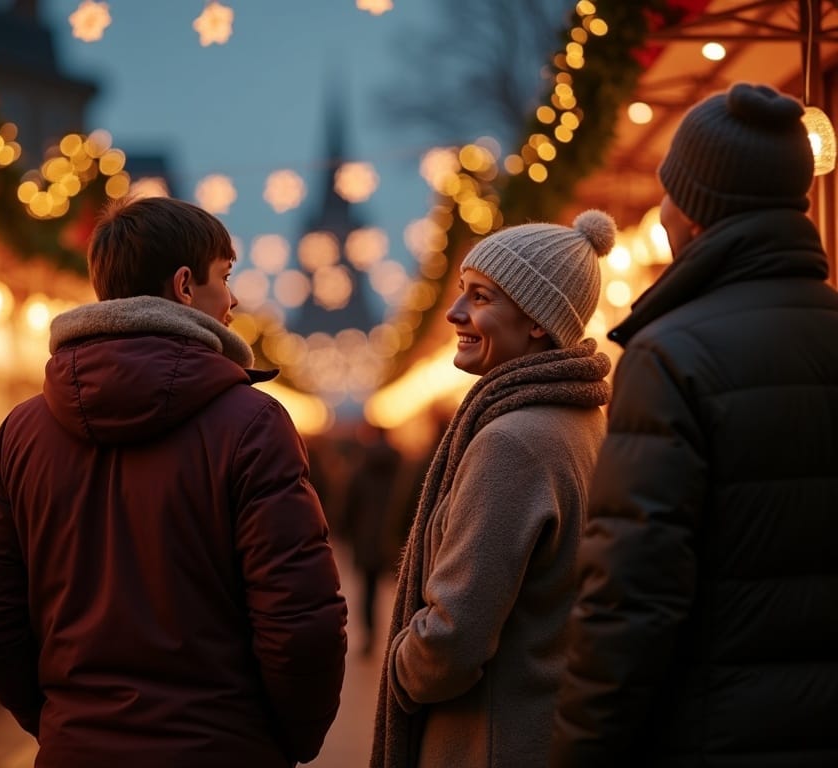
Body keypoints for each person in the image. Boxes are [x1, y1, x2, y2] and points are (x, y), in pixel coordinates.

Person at [0, 196, 347, 768]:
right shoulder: (253, 424)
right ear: (185, 285)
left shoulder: (23, 430)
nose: (234, 299)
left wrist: (60, 721)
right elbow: (300, 622)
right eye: (225, 277)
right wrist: (285, 741)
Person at [550, 83, 838, 767]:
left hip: (717, 732)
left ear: (697, 209)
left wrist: (580, 750)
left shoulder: (669, 356)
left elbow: (631, 597)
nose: (662, 211)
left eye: (671, 192)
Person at [371, 210, 615, 768]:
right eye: (462, 290)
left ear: (537, 321)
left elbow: (455, 636)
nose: (455, 312)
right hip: (546, 727)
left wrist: (403, 667)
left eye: (480, 297)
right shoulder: (581, 421)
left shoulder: (512, 442)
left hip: (490, 740)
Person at [339, 421, 402, 657]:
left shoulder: (360, 467)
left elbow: (349, 504)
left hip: (366, 537)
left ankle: (369, 635)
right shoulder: (401, 466)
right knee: (401, 587)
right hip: (394, 537)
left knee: (368, 589)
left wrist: (345, 531)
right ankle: (400, 635)